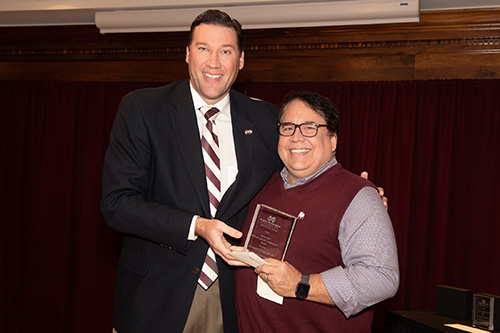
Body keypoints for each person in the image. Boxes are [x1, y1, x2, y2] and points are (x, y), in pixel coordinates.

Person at [101, 9, 280, 333]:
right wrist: (197, 226)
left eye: (225, 51)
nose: (214, 62)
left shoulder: (267, 119)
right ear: (187, 54)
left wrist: (354, 198)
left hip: (234, 299)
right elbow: (118, 203)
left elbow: (295, 183)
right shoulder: (143, 110)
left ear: (240, 60)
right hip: (156, 297)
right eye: (203, 49)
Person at [232, 91, 399, 332]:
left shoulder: (357, 196)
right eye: (288, 127)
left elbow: (381, 278)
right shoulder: (259, 184)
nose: (296, 138)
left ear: (333, 140)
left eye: (309, 127)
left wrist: (301, 285)